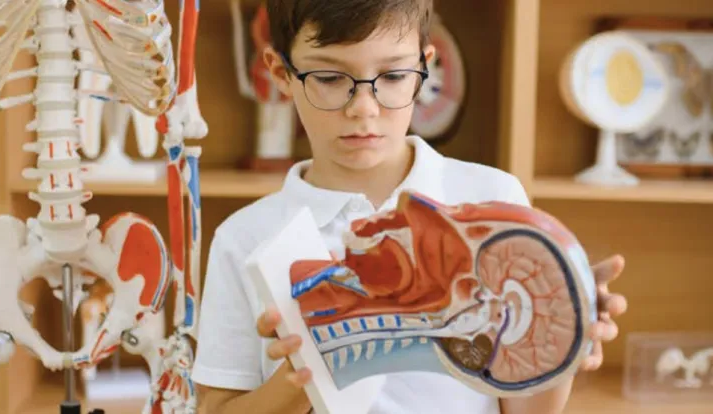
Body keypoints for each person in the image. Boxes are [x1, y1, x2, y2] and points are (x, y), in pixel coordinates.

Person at [191, 0, 629, 412]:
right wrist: (302, 375)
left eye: (393, 77)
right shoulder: (244, 237)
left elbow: (524, 406)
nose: (363, 108)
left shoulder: (493, 198)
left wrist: (562, 334)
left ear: (425, 66)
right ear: (280, 72)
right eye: (329, 78)